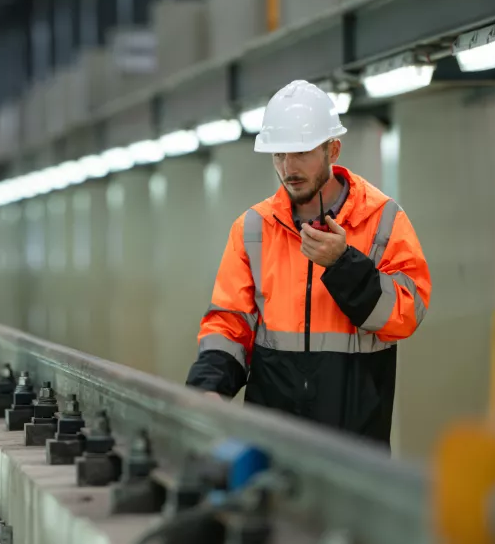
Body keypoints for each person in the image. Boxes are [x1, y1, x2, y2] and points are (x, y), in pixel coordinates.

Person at [185, 79, 431, 445]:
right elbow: (230, 323)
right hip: (271, 438)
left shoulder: (382, 220)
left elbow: (407, 315)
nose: (288, 167)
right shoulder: (253, 228)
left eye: (301, 152)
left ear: (333, 150)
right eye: (279, 154)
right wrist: (207, 388)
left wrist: (343, 264)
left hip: (354, 436)